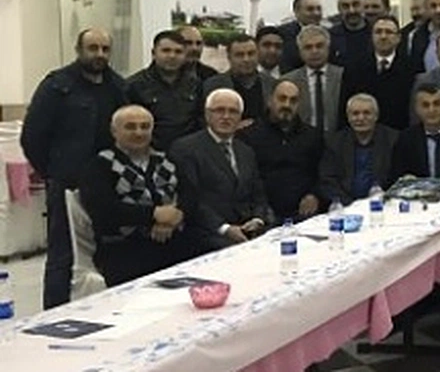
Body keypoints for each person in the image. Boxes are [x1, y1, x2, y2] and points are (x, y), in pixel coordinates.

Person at [21, 28, 127, 308]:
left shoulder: (118, 87)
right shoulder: (57, 86)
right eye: (93, 48)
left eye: (105, 49)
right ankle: (53, 314)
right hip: (67, 182)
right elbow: (32, 137)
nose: (99, 54)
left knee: (108, 250)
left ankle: (104, 310)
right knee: (63, 253)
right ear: (79, 50)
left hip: (108, 182)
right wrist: (53, 172)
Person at [79, 106, 201, 287]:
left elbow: (191, 194)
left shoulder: (166, 158)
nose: (139, 132)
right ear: (114, 131)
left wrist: (176, 216)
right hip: (126, 250)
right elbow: (103, 210)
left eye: (145, 127)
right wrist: (153, 215)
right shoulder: (100, 165)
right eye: (130, 127)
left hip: (176, 240)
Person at [169, 89, 273, 247]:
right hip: (207, 233)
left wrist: (258, 219)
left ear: (240, 117)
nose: (226, 116)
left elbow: (258, 193)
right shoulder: (186, 149)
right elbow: (191, 201)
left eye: (233, 112)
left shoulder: (246, 151)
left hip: (247, 228)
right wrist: (225, 229)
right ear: (207, 115)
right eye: (219, 110)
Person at [240, 81, 326, 221]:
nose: (287, 105)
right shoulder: (249, 136)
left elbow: (324, 173)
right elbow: (248, 181)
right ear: (270, 101)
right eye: (282, 98)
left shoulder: (312, 136)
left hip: (305, 215)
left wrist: (315, 195)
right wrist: (260, 210)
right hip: (264, 215)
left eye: (293, 100)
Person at [126, 30, 202, 150]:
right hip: (150, 152)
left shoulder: (195, 85)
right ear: (153, 53)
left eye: (178, 52)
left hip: (188, 152)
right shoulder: (134, 85)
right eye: (166, 50)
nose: (172, 56)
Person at [318, 94, 399, 205]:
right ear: (348, 117)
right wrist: (350, 205)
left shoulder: (394, 140)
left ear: (376, 116)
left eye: (367, 113)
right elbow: (327, 180)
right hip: (345, 206)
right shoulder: (334, 143)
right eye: (355, 113)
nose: (360, 118)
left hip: (385, 204)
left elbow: (400, 179)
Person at [339, 15, 416, 129]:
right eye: (378, 32)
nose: (383, 36)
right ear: (371, 36)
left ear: (399, 38)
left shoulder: (411, 68)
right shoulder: (355, 67)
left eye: (389, 32)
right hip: (363, 132)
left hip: (400, 132)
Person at [282, 25, 345, 133]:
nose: (314, 51)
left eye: (319, 46)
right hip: (300, 138)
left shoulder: (343, 76)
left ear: (328, 48)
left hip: (338, 138)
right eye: (308, 47)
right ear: (300, 52)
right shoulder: (288, 81)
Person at [201, 34, 277, 124]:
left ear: (258, 55)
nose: (246, 59)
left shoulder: (272, 84)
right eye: (239, 55)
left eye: (251, 54)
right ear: (229, 58)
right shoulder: (213, 86)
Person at [279, 0, 324, 73]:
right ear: (296, 12)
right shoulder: (282, 34)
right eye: (310, 9)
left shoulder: (330, 33)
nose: (316, 13)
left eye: (319, 9)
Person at [328, 0, 372, 66]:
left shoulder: (376, 32)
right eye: (345, 6)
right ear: (339, 10)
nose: (351, 11)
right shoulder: (330, 36)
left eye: (356, 5)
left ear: (363, 7)